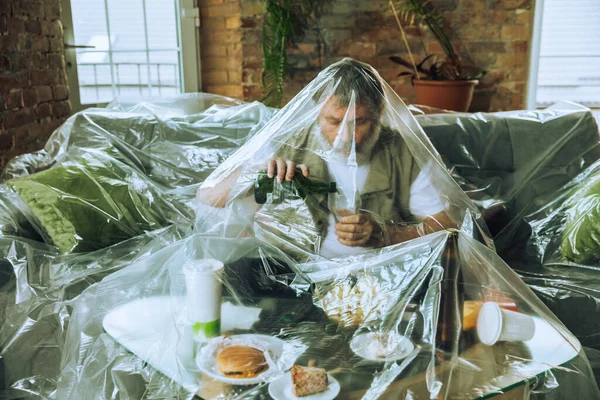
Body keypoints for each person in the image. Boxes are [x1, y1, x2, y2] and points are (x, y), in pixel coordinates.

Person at [197, 58, 454, 259]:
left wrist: (385, 234)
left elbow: (446, 226)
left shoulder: (402, 153)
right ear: (317, 113)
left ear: (379, 114)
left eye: (359, 122)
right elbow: (208, 197)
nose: (345, 136)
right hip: (298, 276)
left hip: (383, 279)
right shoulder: (289, 143)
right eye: (334, 121)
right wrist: (257, 173)